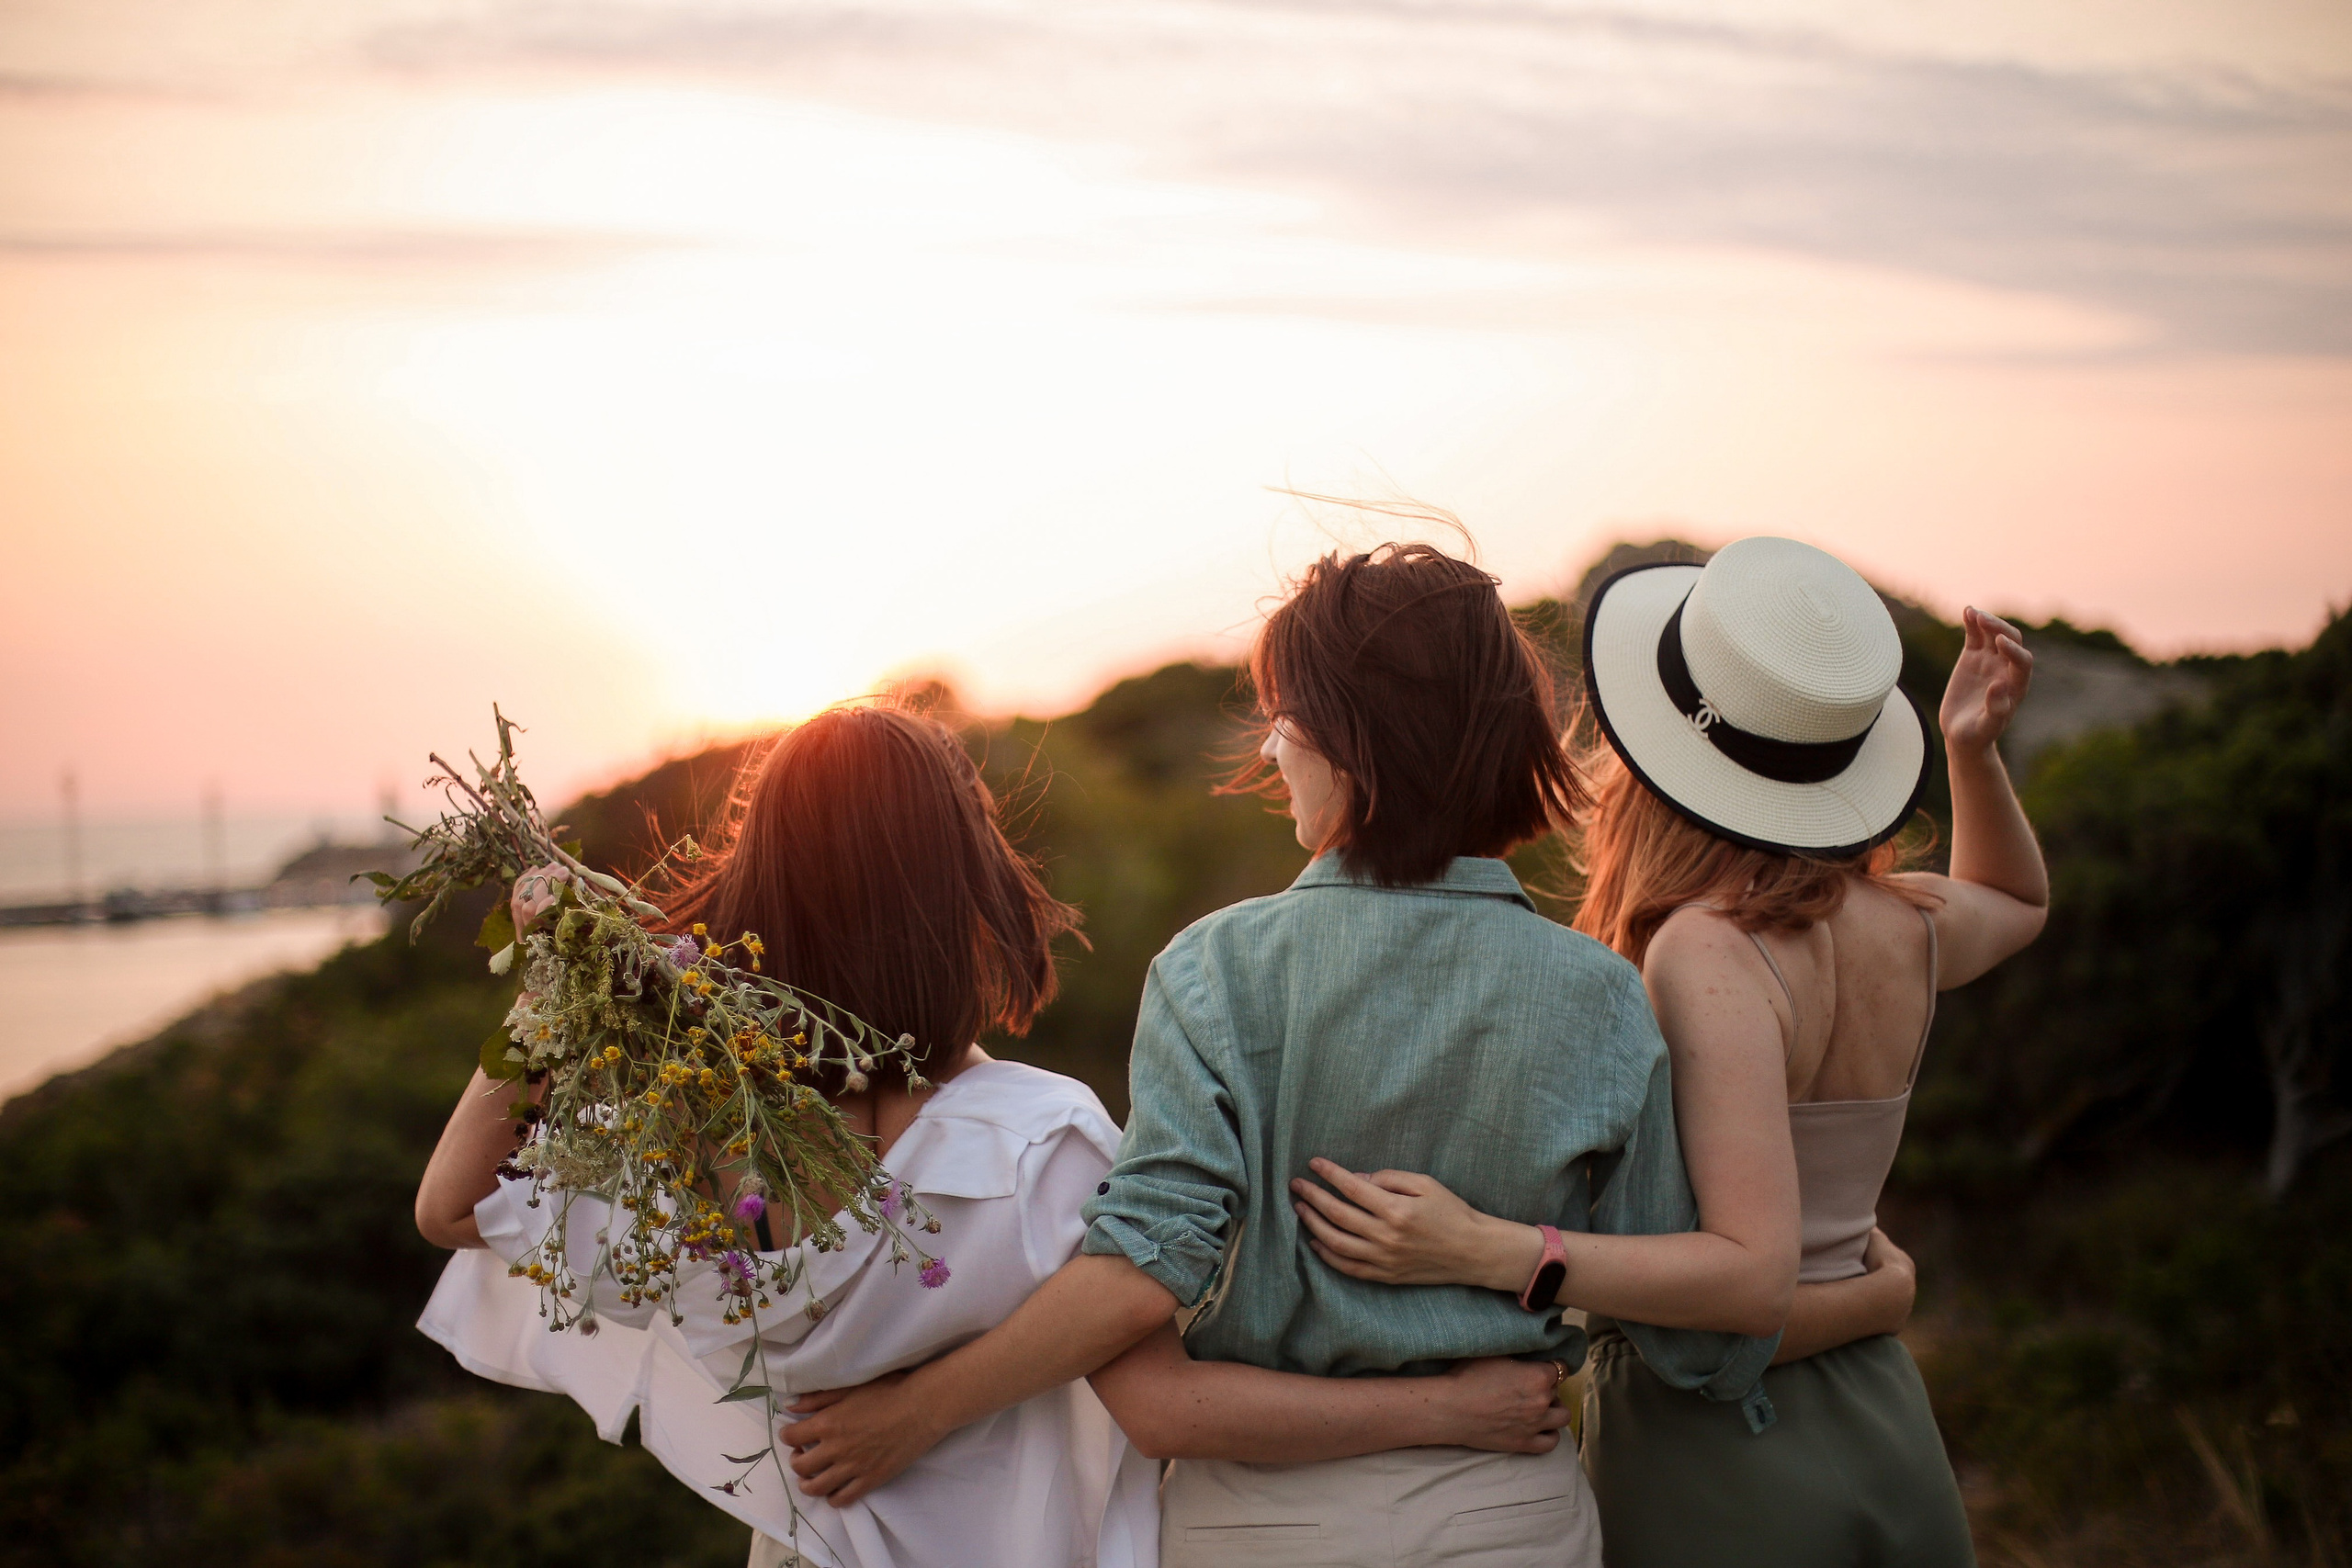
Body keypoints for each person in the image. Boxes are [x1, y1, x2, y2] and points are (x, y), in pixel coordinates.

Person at [775, 542, 1793, 1568]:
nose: (1271, 753)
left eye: (1284, 721)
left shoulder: (1213, 970)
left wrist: (915, 1411)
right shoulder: (1601, 994)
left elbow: (1143, 1271)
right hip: (1505, 1515)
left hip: (1259, 1526)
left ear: (1351, 745)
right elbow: (1699, 1341)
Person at [412, 700, 1566, 1568]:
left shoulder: (700, 1136)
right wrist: (1443, 1407)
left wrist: (557, 999)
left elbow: (450, 1209)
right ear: (961, 883)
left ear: (760, 880)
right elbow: (1165, 1406)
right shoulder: (1032, 1148)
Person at [1295, 538, 2047, 1566]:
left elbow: (1747, 1278)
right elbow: (2014, 900)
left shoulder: (1709, 949)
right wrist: (1971, 753)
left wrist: (1490, 1250)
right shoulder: (1899, 918)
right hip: (1878, 1405)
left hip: (1725, 1440)